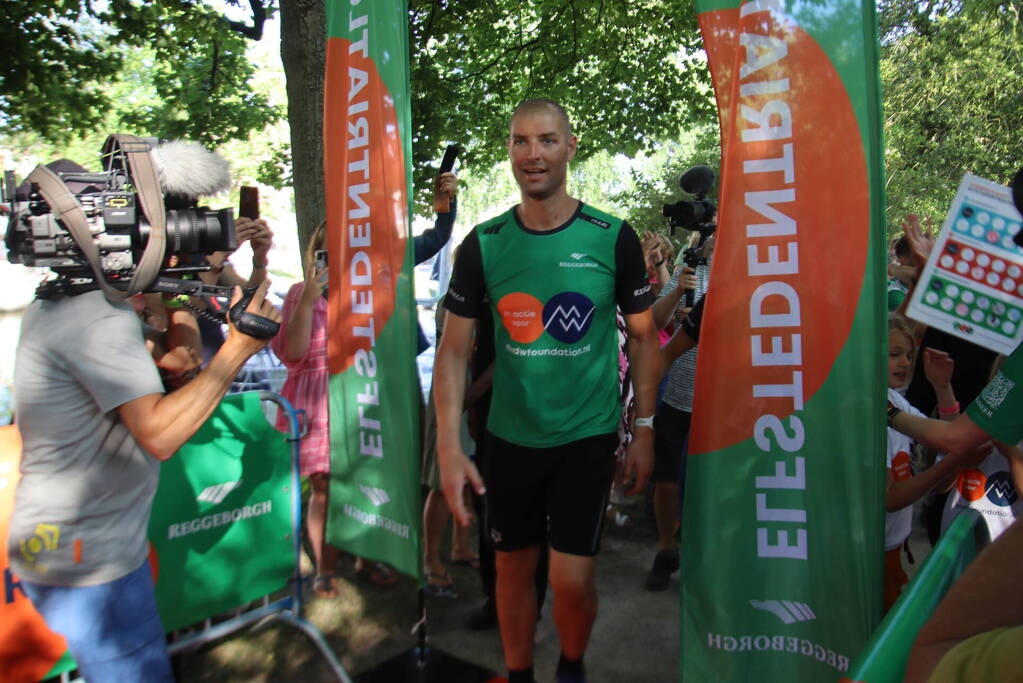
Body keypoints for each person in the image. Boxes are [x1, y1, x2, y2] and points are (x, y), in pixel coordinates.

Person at [433, 98, 659, 683]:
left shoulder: (613, 237)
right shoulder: (483, 244)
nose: (533, 154)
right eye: (521, 141)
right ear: (509, 149)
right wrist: (449, 446)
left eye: (547, 140)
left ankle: (572, 665)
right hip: (509, 439)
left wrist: (645, 430)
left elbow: (643, 339)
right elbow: (455, 351)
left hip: (586, 438)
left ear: (570, 146)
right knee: (510, 570)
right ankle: (518, 671)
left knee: (571, 579)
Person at [9, 272, 280, 681]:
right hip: (90, 559)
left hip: (88, 548)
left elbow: (179, 362)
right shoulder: (97, 318)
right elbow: (159, 434)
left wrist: (171, 292)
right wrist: (239, 348)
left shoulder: (70, 302)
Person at [883, 316, 982, 610]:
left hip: (894, 548)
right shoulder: (868, 410)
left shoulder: (895, 402)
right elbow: (890, 498)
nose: (905, 363)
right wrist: (950, 463)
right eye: (894, 354)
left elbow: (946, 438)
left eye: (910, 355)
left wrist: (942, 387)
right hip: (871, 558)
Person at [642, 234, 706, 591]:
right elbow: (653, 322)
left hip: (721, 405)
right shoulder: (688, 267)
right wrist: (679, 291)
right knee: (665, 480)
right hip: (678, 396)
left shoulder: (746, 271)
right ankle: (667, 551)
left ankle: (702, 556)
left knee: (708, 484)